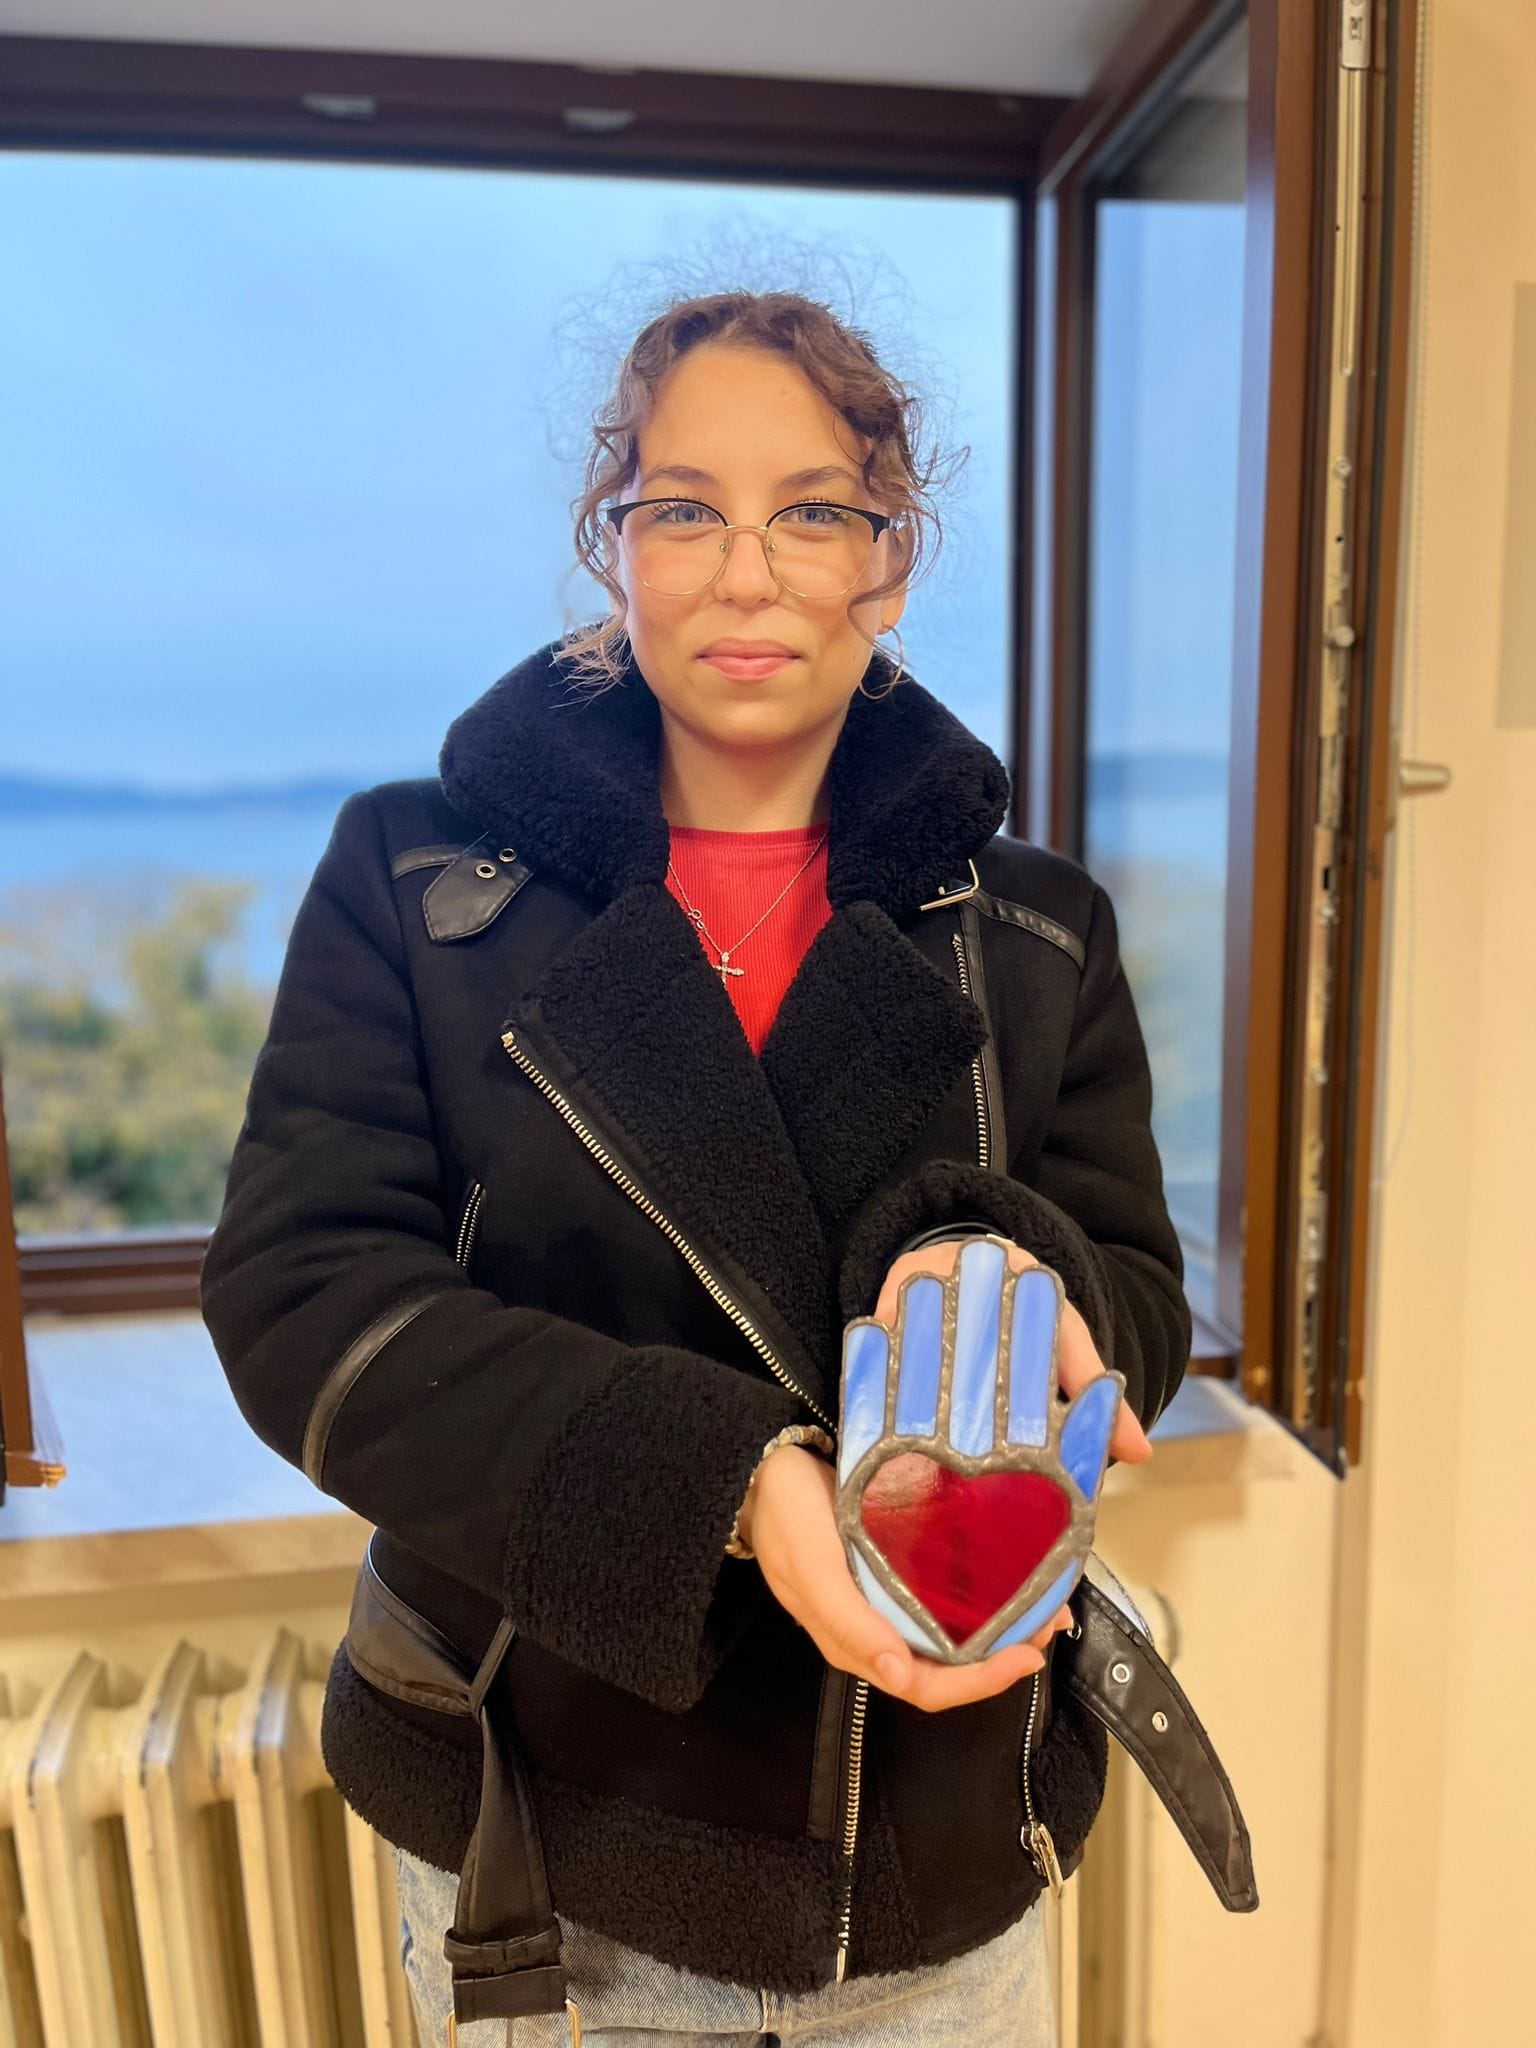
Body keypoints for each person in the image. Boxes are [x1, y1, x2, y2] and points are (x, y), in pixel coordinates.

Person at [200, 288, 1191, 2045]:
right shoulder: (413, 885)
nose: (747, 573)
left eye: (813, 512)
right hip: (553, 1856)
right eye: (684, 509)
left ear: (890, 561)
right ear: (616, 548)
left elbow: (1137, 1305)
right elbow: (305, 1303)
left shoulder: (1035, 930)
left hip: (939, 1852)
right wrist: (730, 1486)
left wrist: (1001, 1263)